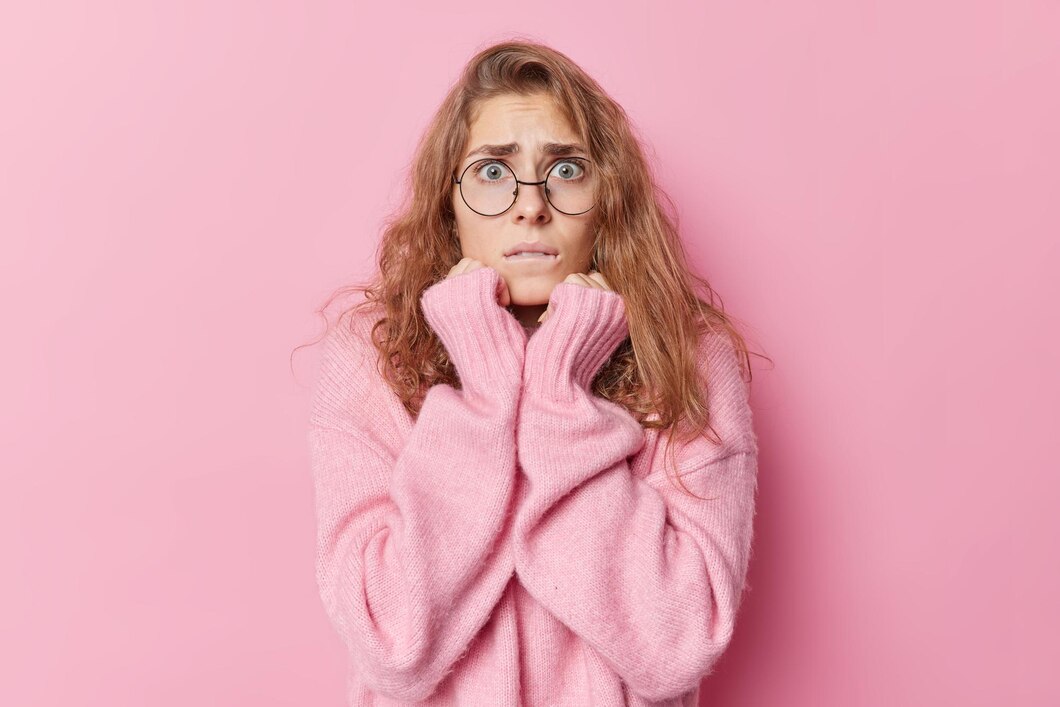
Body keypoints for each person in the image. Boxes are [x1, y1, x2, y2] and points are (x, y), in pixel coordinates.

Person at [307, 38, 762, 706]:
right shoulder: (371, 358)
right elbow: (391, 640)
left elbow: (678, 643)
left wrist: (558, 393)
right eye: (493, 171)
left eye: (566, 170)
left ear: (607, 198)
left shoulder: (689, 360)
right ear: (448, 206)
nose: (530, 205)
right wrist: (488, 388)